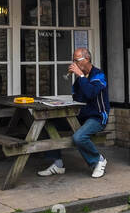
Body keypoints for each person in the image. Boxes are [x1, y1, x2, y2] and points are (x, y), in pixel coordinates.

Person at [38, 47, 110, 178]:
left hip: (97, 117)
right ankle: (58, 164)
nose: (74, 63)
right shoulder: (78, 80)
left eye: (77, 60)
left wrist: (81, 76)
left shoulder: (99, 75)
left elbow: (91, 94)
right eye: (73, 60)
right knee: (47, 123)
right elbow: (77, 99)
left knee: (78, 137)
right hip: (81, 116)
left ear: (87, 59)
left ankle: (98, 160)